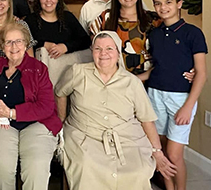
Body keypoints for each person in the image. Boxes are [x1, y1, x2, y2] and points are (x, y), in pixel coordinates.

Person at [55, 31, 177, 190]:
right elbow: (60, 93)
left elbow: (146, 120)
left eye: (109, 49)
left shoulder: (132, 82)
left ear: (118, 52)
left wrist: (157, 152)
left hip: (126, 138)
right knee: (86, 167)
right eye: (98, 49)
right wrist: (62, 122)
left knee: (138, 171)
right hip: (84, 135)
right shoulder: (77, 72)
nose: (103, 54)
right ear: (92, 51)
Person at [0, 23, 62, 189]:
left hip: (37, 124)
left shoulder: (38, 68)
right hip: (2, 124)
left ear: (26, 44)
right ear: (2, 45)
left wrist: (12, 112)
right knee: (0, 167)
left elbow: (46, 106)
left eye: (18, 41)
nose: (14, 47)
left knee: (36, 168)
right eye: (8, 42)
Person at [146, 0, 207, 190]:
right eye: (158, 3)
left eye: (168, 2)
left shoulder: (193, 33)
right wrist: (130, 79)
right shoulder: (154, 34)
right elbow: (157, 68)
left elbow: (201, 73)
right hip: (155, 94)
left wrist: (188, 107)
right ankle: (169, 188)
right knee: (161, 149)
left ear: (179, 4)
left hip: (181, 98)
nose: (163, 7)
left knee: (174, 153)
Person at [89, 0, 161, 79]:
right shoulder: (105, 19)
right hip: (114, 80)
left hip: (148, 80)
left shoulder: (154, 20)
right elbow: (95, 49)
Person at [25, 0, 91, 59]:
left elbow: (85, 41)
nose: (48, 0)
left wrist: (65, 47)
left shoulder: (68, 17)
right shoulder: (30, 20)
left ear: (58, 0)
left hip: (69, 67)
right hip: (40, 68)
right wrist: (43, 44)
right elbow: (23, 44)